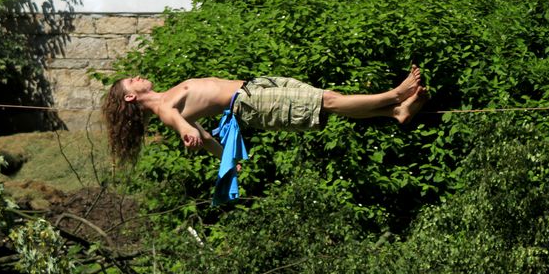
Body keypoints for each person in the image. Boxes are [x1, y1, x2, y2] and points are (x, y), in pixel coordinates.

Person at [102, 66, 428, 167]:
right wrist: (188, 133)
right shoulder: (164, 108)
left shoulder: (168, 97)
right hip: (252, 101)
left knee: (330, 100)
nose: (138, 77)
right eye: (132, 81)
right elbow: (186, 127)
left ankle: (394, 112)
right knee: (326, 101)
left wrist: (228, 160)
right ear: (131, 96)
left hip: (256, 89)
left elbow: (207, 138)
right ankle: (395, 96)